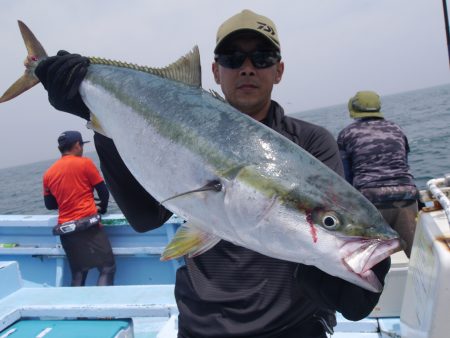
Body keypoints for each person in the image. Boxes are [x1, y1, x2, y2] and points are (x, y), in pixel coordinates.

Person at [35, 10, 391, 338]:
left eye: (262, 58)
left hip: (294, 327)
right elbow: (145, 219)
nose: (247, 68)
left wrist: (339, 266)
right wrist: (103, 125)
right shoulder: (169, 128)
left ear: (278, 70)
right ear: (216, 71)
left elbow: (322, 226)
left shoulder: (311, 142)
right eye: (233, 59)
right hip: (202, 327)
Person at [337, 91, 419, 258]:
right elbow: (403, 162)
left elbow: (345, 175)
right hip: (406, 197)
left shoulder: (347, 134)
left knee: (372, 260)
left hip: (371, 202)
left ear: (353, 108)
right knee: (416, 256)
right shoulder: (396, 128)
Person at [43, 130, 116, 286]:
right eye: (81, 144)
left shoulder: (48, 174)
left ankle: (78, 311)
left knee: (78, 273)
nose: (82, 148)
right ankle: (104, 310)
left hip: (67, 231)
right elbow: (103, 192)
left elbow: (50, 205)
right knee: (107, 267)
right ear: (77, 145)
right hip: (89, 227)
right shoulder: (85, 163)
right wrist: (102, 207)